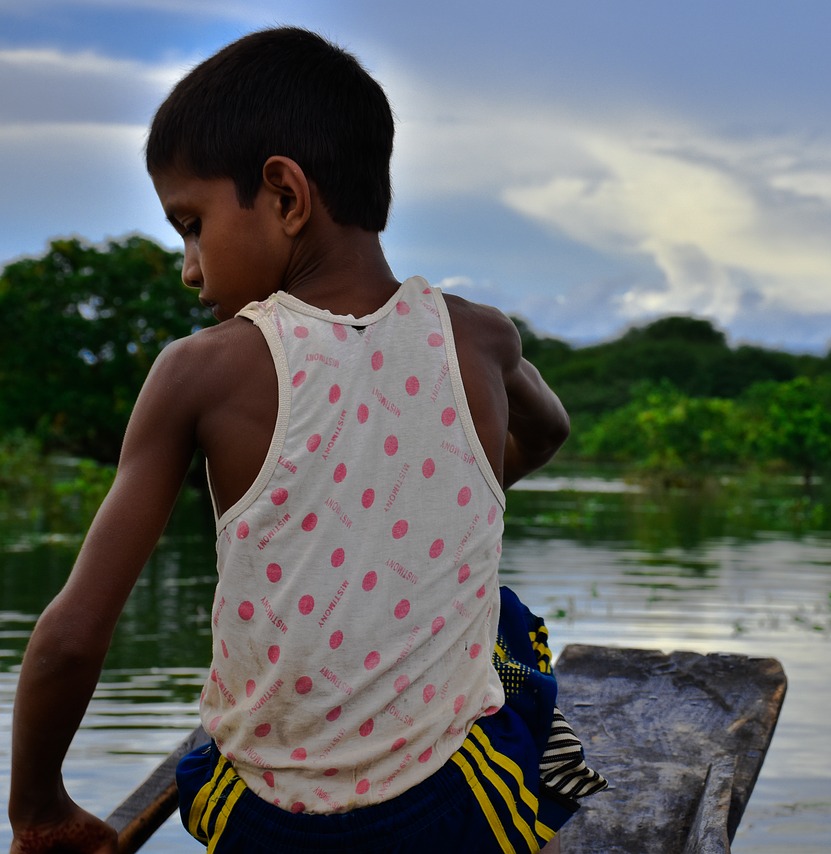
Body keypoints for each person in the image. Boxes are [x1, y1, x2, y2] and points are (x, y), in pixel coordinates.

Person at [8, 26, 603, 854]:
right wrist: (444, 498)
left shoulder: (198, 372)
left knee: (220, 755)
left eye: (192, 223)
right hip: (450, 820)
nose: (189, 266)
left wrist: (38, 810)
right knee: (508, 631)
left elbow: (72, 637)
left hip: (260, 826)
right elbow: (550, 429)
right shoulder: (481, 340)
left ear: (285, 196)